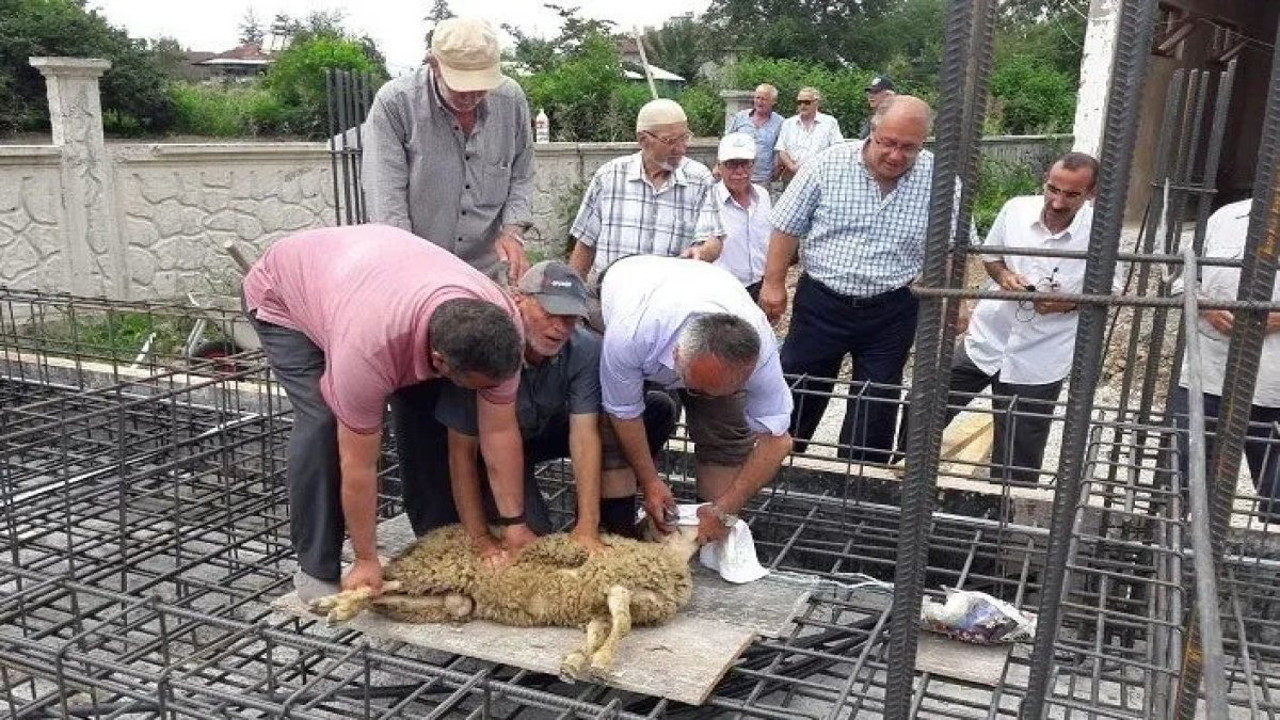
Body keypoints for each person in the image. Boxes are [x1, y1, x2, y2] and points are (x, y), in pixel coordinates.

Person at [242, 224, 532, 602]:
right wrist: (366, 558)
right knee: (324, 421)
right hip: (284, 293)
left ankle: (438, 536)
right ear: (439, 360)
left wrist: (515, 525)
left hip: (374, 273)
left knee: (429, 410)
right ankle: (316, 563)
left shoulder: (502, 323)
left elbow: (498, 433)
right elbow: (358, 466)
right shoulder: (368, 350)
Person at [432, 261, 672, 549]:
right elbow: (462, 453)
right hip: (495, 451)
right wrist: (479, 538)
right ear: (519, 300)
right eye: (550, 313)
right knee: (534, 540)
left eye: (570, 318)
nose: (559, 327)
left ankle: (611, 522)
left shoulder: (584, 348)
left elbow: (585, 435)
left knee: (656, 408)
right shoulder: (484, 345)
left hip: (544, 431)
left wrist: (588, 524)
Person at [761, 95, 939, 463]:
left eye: (909, 148)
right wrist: (773, 283)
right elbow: (785, 227)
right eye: (887, 143)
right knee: (797, 389)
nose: (895, 155)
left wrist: (960, 303)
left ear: (923, 144)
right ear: (872, 131)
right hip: (822, 303)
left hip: (893, 308)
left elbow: (955, 243)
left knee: (876, 400)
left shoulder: (938, 179)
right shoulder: (827, 165)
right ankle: (777, 470)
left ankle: (859, 488)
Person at [598, 255, 793, 545]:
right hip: (632, 285)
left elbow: (778, 439)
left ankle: (708, 538)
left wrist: (726, 508)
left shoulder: (760, 349)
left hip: (708, 293)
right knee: (610, 437)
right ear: (676, 356)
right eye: (700, 388)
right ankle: (618, 538)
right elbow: (624, 412)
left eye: (725, 388)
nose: (705, 397)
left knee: (726, 435)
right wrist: (651, 482)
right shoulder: (630, 333)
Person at [944, 152, 1099, 485]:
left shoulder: (1101, 231)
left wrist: (1067, 304)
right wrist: (1004, 278)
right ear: (1044, 180)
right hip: (989, 336)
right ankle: (903, 481)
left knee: (1020, 449)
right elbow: (991, 257)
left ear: (1091, 194)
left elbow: (1109, 292)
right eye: (1052, 189)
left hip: (1041, 353)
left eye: (1071, 195)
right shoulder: (1016, 209)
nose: (1057, 202)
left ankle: (1004, 519)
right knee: (926, 404)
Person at [361, 17, 534, 286]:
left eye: (481, 86)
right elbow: (386, 200)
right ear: (434, 66)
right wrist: (409, 268)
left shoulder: (511, 100)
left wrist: (512, 232)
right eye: (461, 86)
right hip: (417, 267)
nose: (471, 96)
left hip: (486, 271)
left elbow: (521, 174)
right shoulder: (395, 103)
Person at [1171, 199, 1280, 517]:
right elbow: (1183, 282)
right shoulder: (1225, 218)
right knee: (1182, 487)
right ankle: (1176, 557)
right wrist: (1207, 307)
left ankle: (1267, 565)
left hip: (1275, 388)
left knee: (1277, 502)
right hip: (1208, 376)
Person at [568, 99, 724, 279]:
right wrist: (572, 295)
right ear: (643, 140)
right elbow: (585, 243)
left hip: (670, 297)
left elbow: (714, 239)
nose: (682, 148)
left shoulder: (699, 179)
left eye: (685, 137)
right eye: (671, 140)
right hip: (613, 296)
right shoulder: (610, 176)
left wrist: (701, 252)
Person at [713, 133, 773, 301]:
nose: (739, 171)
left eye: (745, 163)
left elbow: (768, 242)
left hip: (760, 287)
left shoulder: (763, 196)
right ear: (719, 166)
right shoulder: (708, 200)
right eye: (732, 164)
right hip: (723, 292)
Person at [774, 87, 843, 182]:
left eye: (807, 102)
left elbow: (837, 148)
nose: (802, 105)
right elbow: (781, 149)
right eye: (799, 102)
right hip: (792, 177)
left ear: (816, 102)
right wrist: (792, 167)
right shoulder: (788, 123)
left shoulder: (830, 123)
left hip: (820, 176)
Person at [725, 83, 785, 185]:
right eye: (757, 98)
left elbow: (780, 150)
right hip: (737, 175)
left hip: (763, 179)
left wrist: (777, 171)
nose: (759, 102)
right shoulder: (740, 117)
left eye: (764, 99)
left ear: (773, 102)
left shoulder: (780, 122)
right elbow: (726, 142)